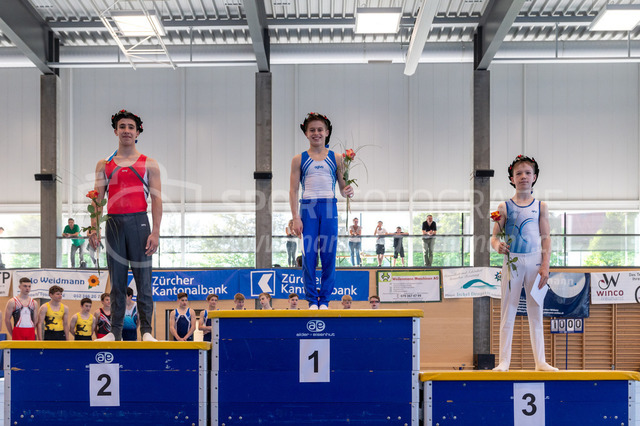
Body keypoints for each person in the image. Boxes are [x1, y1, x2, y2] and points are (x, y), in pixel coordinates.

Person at [90, 109, 161, 342]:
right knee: (117, 282)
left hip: (139, 223)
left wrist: (156, 232)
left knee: (143, 281)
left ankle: (146, 331)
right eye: (122, 127)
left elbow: (157, 200)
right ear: (115, 131)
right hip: (113, 225)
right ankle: (115, 332)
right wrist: (94, 228)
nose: (127, 130)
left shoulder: (149, 163)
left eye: (131, 127)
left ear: (138, 132)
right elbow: (97, 199)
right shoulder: (104, 164)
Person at [491, 155, 558, 372]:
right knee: (508, 311)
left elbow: (546, 237)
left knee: (535, 311)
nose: (523, 177)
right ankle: (504, 361)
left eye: (528, 173)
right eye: (518, 173)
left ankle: (540, 362)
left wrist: (545, 265)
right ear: (512, 179)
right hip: (513, 262)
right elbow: (494, 237)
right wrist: (497, 246)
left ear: (534, 177)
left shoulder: (541, 206)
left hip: (535, 262)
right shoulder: (504, 207)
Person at [290, 112, 354, 310]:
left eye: (320, 130)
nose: (316, 133)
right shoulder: (298, 159)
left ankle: (324, 299)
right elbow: (293, 190)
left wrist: (348, 190)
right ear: (306, 133)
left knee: (328, 254)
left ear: (327, 132)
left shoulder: (337, 158)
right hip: (307, 207)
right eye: (312, 130)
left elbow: (342, 188)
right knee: (309, 255)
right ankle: (312, 299)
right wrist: (295, 217)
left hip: (329, 207)